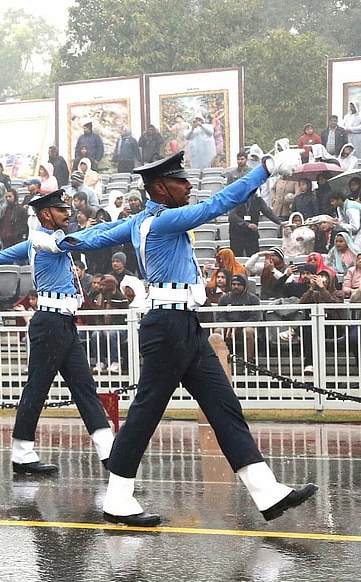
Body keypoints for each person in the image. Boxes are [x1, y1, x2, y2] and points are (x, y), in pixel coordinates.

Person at [44, 149, 317, 525]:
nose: (189, 185)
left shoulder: (140, 222)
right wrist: (265, 170)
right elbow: (218, 204)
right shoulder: (164, 222)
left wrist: (61, 243)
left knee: (223, 407)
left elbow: (97, 235)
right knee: (145, 413)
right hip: (168, 327)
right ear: (160, 188)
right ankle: (117, 499)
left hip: (183, 324)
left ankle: (266, 491)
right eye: (180, 181)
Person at [0, 189, 113, 474]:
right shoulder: (43, 240)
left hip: (63, 322)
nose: (68, 213)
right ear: (46, 214)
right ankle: (22, 453)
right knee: (37, 389)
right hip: (49, 323)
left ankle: (108, 450)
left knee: (84, 387)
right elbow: (22, 250)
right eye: (61, 210)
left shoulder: (49, 240)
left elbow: (2, 255)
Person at [216, 273, 261, 361]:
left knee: (248, 331)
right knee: (217, 331)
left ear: (244, 286)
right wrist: (227, 325)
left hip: (245, 327)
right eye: (233, 284)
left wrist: (239, 326)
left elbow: (254, 318)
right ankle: (219, 362)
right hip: (228, 329)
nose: (236, 286)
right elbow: (220, 316)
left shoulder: (253, 299)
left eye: (239, 284)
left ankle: (249, 362)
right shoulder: (224, 299)